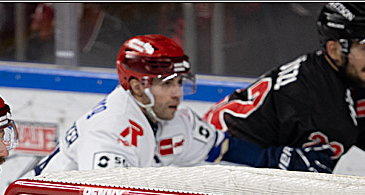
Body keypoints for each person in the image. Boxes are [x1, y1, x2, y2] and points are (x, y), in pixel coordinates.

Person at [203, 2, 365, 172]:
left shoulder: (364, 81)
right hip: (215, 182)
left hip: (260, 188)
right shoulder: (307, 95)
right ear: (335, 49)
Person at [32, 33, 333, 177]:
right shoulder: (108, 131)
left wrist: (281, 160)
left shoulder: (175, 120)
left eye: (179, 82)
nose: (177, 93)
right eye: (166, 83)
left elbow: (224, 148)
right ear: (137, 86)